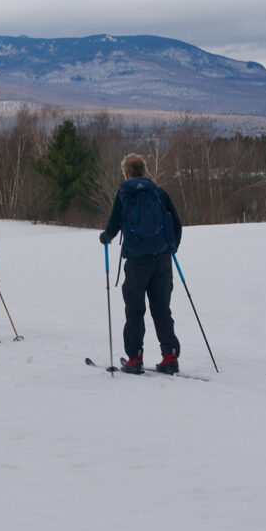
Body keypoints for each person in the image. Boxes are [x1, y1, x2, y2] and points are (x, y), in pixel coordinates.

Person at [99, 153, 183, 374]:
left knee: (135, 310)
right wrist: (171, 248)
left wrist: (105, 238)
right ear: (145, 172)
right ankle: (170, 355)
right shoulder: (158, 193)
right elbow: (177, 224)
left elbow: (113, 226)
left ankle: (135, 357)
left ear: (126, 174)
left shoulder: (124, 193)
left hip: (137, 261)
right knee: (162, 308)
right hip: (162, 260)